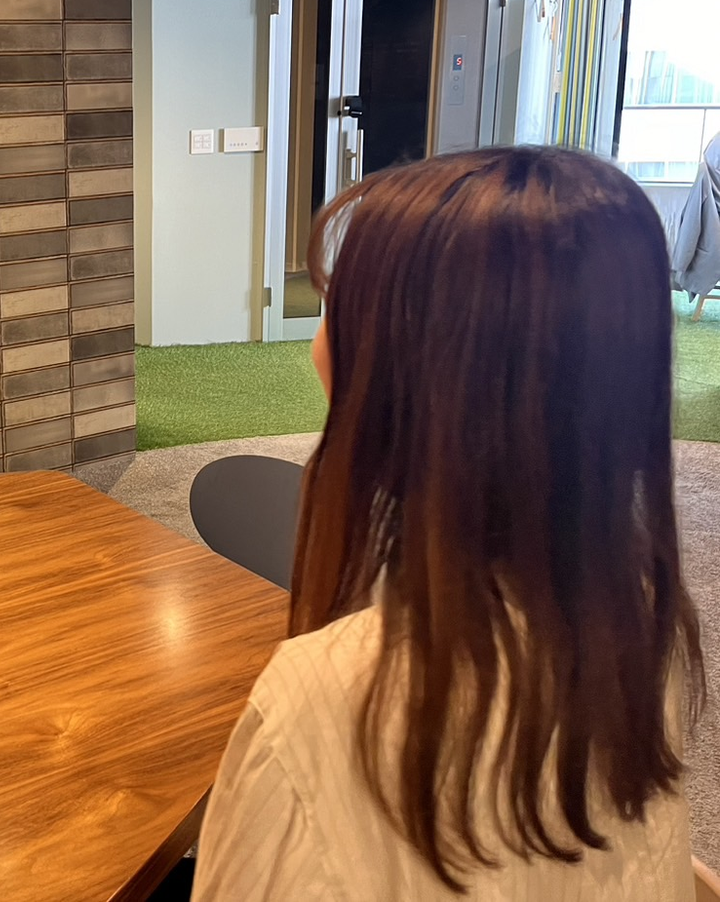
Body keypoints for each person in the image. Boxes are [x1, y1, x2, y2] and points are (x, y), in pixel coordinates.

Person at [193, 147, 705, 900]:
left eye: (341, 310)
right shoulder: (639, 623)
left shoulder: (320, 703)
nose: (319, 347)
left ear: (416, 374)